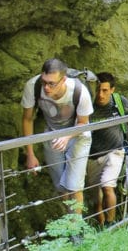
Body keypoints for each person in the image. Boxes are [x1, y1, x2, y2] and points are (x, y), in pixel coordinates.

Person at [20, 58, 94, 212]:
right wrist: (30, 153)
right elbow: (27, 119)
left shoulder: (80, 91)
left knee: (74, 186)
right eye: (44, 81)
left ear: (64, 80)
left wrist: (67, 136)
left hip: (78, 134)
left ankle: (77, 232)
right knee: (61, 187)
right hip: (52, 135)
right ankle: (68, 221)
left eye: (51, 83)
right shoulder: (33, 86)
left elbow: (83, 123)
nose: (46, 87)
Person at [85, 72, 128, 226]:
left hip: (115, 151)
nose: (100, 94)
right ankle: (101, 228)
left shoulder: (119, 102)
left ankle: (110, 223)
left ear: (112, 90)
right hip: (92, 157)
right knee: (96, 200)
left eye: (105, 90)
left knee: (108, 186)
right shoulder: (88, 104)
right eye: (98, 90)